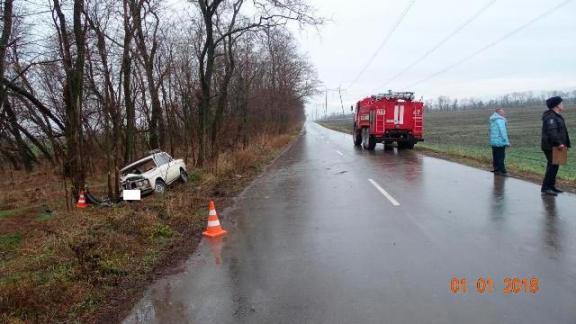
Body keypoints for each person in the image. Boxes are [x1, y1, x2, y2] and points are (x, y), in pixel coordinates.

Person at [541, 96, 571, 196]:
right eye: (561, 103)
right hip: (551, 146)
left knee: (555, 166)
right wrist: (559, 143)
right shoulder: (551, 117)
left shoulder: (556, 115)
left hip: (556, 146)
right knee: (552, 166)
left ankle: (551, 186)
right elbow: (552, 132)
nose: (563, 105)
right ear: (556, 105)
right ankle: (546, 188)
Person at [489, 108, 510, 175]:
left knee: (495, 156)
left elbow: (490, 130)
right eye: (502, 112)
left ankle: (496, 169)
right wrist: (506, 142)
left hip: (493, 141)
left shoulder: (492, 120)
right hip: (500, 141)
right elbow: (503, 132)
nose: (504, 113)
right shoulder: (500, 120)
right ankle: (503, 171)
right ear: (498, 113)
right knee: (501, 156)